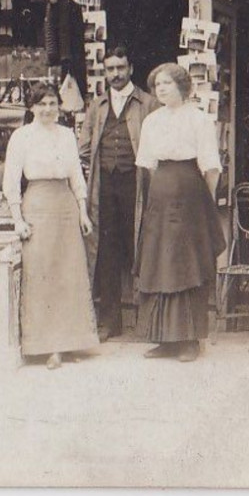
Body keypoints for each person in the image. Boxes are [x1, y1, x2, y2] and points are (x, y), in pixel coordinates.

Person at [3, 81, 98, 369]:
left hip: (65, 206)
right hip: (38, 205)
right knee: (41, 273)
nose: (48, 109)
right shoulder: (21, 137)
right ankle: (46, 347)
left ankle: (71, 342)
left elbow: (76, 176)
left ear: (59, 106)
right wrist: (17, 219)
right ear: (31, 107)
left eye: (52, 104)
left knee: (69, 273)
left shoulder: (68, 135)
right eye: (41, 104)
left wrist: (83, 212)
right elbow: (10, 181)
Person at [134, 63, 225, 363]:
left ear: (182, 86)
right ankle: (163, 340)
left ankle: (189, 341)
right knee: (159, 260)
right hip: (160, 193)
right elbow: (149, 165)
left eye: (167, 83)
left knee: (187, 263)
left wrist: (204, 203)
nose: (160, 88)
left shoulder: (199, 120)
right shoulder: (151, 121)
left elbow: (210, 167)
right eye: (157, 84)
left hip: (190, 194)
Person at [77, 45, 155, 340]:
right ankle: (110, 321)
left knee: (140, 248)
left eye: (120, 68)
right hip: (104, 187)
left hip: (137, 185)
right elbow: (84, 148)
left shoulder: (147, 103)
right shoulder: (96, 106)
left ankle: (147, 321)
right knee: (106, 253)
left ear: (131, 68)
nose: (115, 74)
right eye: (110, 69)